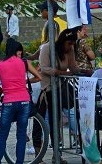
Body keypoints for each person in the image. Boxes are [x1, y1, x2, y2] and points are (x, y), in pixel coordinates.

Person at [0, 41, 41, 164]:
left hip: (8, 102)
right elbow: (39, 77)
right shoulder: (24, 62)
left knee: (2, 136)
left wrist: (3, 90)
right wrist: (24, 84)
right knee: (21, 135)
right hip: (24, 102)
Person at [33, 28, 80, 164]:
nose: (70, 46)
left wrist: (84, 72)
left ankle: (56, 154)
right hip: (45, 89)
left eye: (73, 44)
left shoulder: (70, 50)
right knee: (39, 122)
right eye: (69, 43)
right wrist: (60, 72)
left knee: (56, 122)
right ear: (62, 41)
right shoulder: (47, 48)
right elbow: (44, 68)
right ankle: (38, 154)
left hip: (58, 89)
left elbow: (73, 67)